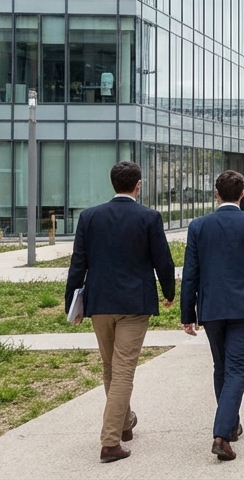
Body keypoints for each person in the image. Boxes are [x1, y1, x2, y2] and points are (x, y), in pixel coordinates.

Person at [63, 161, 176, 463]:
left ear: (113, 184)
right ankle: (110, 441)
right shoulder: (149, 217)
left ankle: (125, 425)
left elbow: (78, 263)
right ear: (138, 185)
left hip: (99, 303)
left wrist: (70, 306)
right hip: (134, 305)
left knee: (111, 367)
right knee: (123, 369)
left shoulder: (89, 217)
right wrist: (169, 292)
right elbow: (162, 260)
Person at [180, 170, 244, 462]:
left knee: (221, 368)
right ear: (243, 194)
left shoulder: (199, 226)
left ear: (216, 193)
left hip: (211, 308)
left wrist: (188, 314)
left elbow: (190, 274)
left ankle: (231, 425)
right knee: (236, 369)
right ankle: (222, 435)